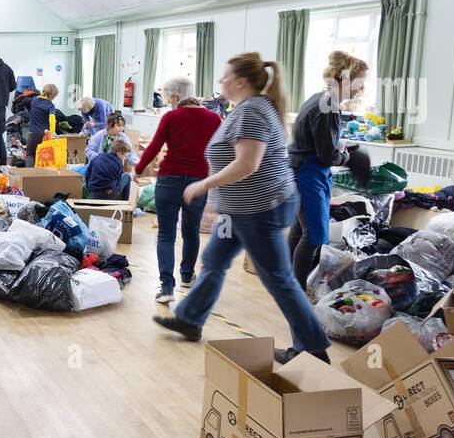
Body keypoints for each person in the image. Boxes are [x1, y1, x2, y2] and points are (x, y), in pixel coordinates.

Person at [153, 53, 331, 365]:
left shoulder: (252, 112)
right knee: (214, 260)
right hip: (241, 208)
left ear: (240, 82)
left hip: (259, 208)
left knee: (278, 277)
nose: (220, 81)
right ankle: (191, 319)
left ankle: (313, 346)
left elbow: (247, 164)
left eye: (225, 75)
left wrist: (203, 185)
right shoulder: (247, 109)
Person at [288, 52, 368, 289]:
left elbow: (321, 144)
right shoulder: (328, 106)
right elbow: (326, 154)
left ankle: (287, 283)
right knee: (314, 236)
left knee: (299, 230)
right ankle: (298, 292)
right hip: (307, 173)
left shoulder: (320, 98)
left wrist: (341, 148)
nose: (362, 87)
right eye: (360, 81)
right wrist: (348, 158)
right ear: (346, 79)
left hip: (304, 170)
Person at [134, 92, 222, 303]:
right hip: (198, 180)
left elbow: (154, 146)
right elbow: (221, 149)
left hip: (169, 178)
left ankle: (166, 287)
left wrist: (137, 170)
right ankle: (186, 276)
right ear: (198, 104)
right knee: (191, 230)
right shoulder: (214, 118)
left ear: (181, 104)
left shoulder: (171, 116)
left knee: (166, 234)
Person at [25, 83, 59, 163]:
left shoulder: (34, 100)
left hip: (32, 133)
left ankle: (29, 174)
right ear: (52, 95)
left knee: (30, 154)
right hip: (44, 135)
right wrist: (52, 132)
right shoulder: (50, 105)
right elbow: (52, 118)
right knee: (44, 158)